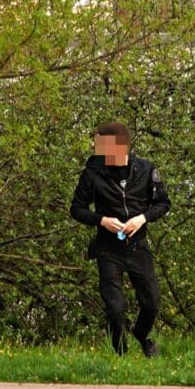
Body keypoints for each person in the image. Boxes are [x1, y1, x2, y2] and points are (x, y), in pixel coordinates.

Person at [70, 122, 170, 357]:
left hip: (138, 247)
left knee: (152, 303)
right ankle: (120, 356)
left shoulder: (145, 169)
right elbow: (76, 209)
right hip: (108, 249)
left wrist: (142, 218)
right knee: (115, 308)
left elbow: (163, 203)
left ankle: (141, 335)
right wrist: (101, 220)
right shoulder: (92, 173)